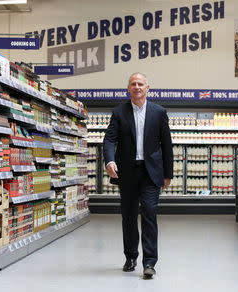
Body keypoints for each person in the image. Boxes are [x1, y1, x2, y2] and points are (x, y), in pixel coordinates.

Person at [103, 73, 173, 279]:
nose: (137, 87)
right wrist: (109, 161)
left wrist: (167, 173)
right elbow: (109, 140)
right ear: (128, 88)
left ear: (147, 88)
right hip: (128, 172)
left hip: (151, 173)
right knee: (129, 216)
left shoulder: (159, 112)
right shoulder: (119, 112)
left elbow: (167, 145)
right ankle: (131, 256)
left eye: (140, 84)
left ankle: (149, 262)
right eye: (133, 84)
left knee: (150, 214)